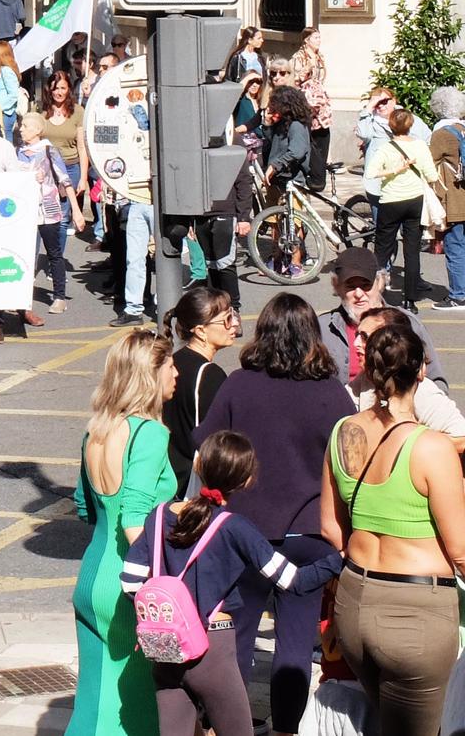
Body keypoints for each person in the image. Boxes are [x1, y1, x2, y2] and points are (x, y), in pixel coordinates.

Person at [192, 293, 352, 736]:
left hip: (243, 531)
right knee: (296, 644)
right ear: (311, 337)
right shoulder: (332, 392)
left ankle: (231, 726)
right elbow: (350, 461)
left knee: (236, 639)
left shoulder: (239, 384)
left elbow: (203, 445)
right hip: (308, 534)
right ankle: (286, 729)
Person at [127, 430, 343, 736]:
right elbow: (293, 581)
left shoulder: (159, 516)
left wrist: (172, 619)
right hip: (213, 650)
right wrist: (339, 560)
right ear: (246, 481)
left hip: (165, 649)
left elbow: (130, 583)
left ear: (198, 466)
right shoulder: (235, 528)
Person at [320, 319, 465, 736]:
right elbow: (459, 549)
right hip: (415, 615)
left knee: (385, 721)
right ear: (420, 371)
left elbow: (330, 525)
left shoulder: (343, 432)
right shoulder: (431, 446)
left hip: (355, 603)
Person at [70, 331, 177, 736]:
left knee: (95, 698)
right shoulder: (149, 433)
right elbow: (135, 521)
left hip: (93, 572)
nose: (176, 373)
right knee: (135, 706)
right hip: (128, 584)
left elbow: (84, 506)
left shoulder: (96, 430)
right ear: (150, 374)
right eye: (169, 365)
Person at [317, 246, 447, 389]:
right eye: (351, 286)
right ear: (337, 286)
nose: (359, 294)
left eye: (366, 285)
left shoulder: (407, 323)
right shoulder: (322, 329)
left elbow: (436, 381)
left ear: (380, 283)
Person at [159, 285, 236, 498]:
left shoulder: (172, 363)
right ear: (201, 331)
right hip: (193, 486)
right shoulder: (210, 375)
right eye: (227, 320)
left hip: (170, 478)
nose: (234, 325)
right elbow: (215, 440)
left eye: (233, 315)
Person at [365, 105, 439, 311]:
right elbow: (432, 176)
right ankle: (411, 300)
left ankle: (375, 293)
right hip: (414, 200)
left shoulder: (386, 148)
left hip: (390, 201)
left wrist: (393, 170)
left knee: (382, 249)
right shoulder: (420, 147)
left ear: (391, 126)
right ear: (411, 125)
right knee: (412, 250)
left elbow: (371, 172)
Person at [18, 110, 83, 316]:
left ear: (37, 130)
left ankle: (59, 297)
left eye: (26, 126)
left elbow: (65, 179)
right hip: (25, 212)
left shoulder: (48, 151)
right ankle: (22, 295)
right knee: (26, 254)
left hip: (48, 211)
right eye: (21, 126)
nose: (21, 129)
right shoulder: (18, 152)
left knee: (54, 253)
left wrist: (76, 211)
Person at [426, 85, 465, 310]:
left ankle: (458, 295)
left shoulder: (441, 134)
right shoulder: (463, 130)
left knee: (455, 246)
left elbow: (428, 164)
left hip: (455, 200)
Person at [292, 26, 331, 190]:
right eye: (315, 38)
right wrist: (304, 73)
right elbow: (294, 79)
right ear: (306, 40)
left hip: (320, 101)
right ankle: (315, 175)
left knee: (323, 134)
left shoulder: (319, 57)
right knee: (310, 137)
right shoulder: (299, 57)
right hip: (307, 101)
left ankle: (319, 172)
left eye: (319, 37)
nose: (318, 41)